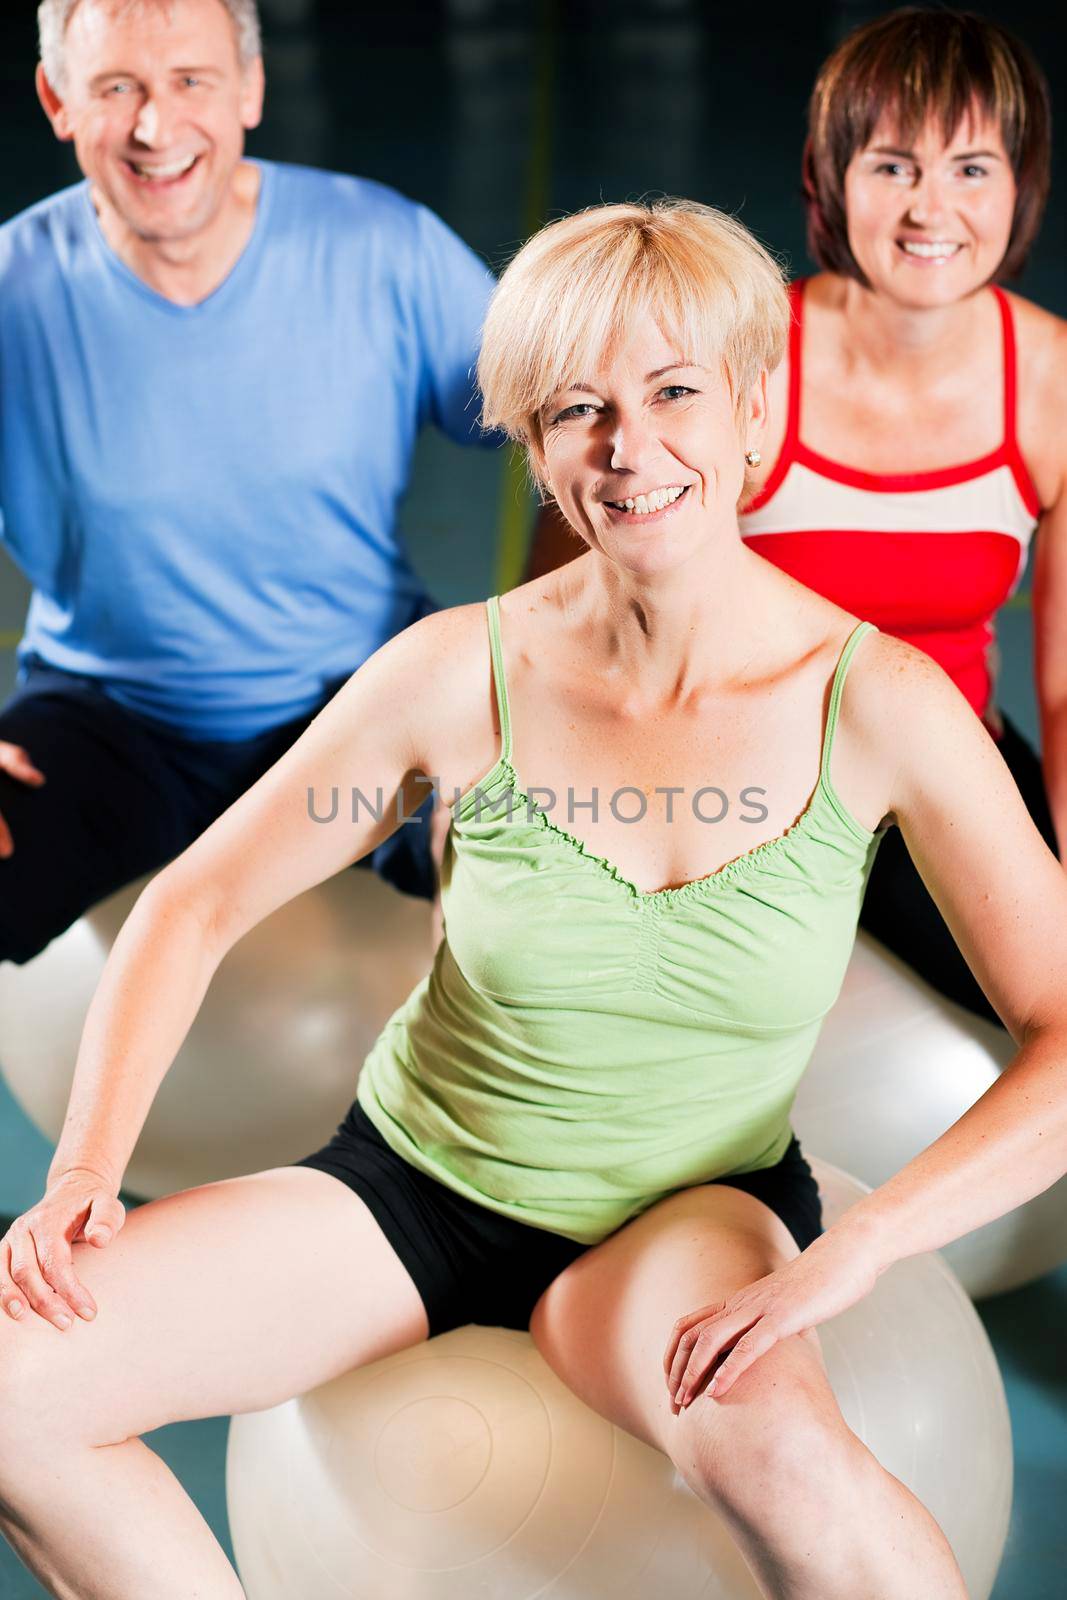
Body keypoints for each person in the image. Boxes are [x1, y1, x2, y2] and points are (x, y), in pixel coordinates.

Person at [3, 196, 1067, 1600]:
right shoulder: (454, 673)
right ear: (532, 441)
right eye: (578, 409)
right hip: (413, 1192)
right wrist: (86, 1167)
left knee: (796, 1470)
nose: (630, 450)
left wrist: (862, 1245)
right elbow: (196, 901)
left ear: (756, 415)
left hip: (687, 1213)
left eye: (674, 391)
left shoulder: (876, 705)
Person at [0, 0, 507, 965]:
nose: (155, 128)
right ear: (57, 100)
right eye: (117, 89)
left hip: (356, 703)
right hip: (110, 716)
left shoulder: (381, 247)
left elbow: (566, 415)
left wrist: (549, 670)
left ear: (252, 89)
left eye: (190, 81)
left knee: (524, 877)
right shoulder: (11, 291)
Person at [739, 6, 1067, 1024]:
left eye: (970, 167)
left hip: (944, 768)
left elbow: (1064, 693)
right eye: (892, 166)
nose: (932, 208)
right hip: (746, 789)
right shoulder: (741, 364)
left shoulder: (1050, 380)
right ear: (828, 177)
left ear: (1018, 187)